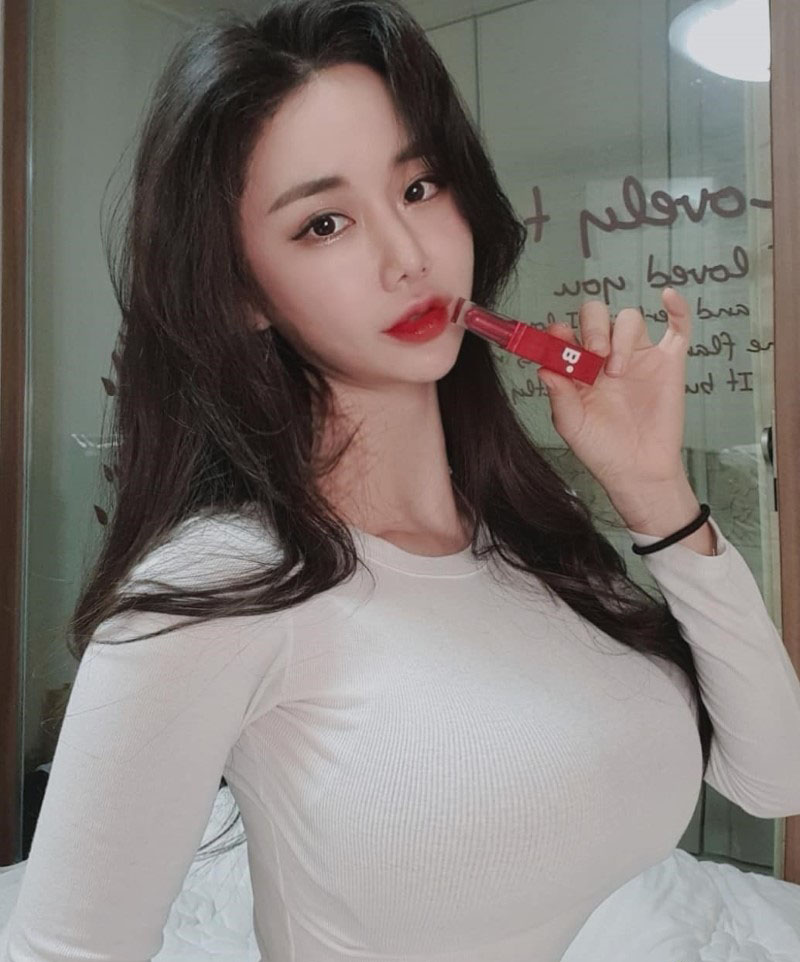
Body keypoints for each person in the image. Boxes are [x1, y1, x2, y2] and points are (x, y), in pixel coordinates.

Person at [3, 0, 800, 959]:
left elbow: (774, 775)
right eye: (325, 223)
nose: (408, 257)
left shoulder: (526, 533)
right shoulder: (214, 588)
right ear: (240, 290)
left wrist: (654, 490)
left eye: (419, 187)